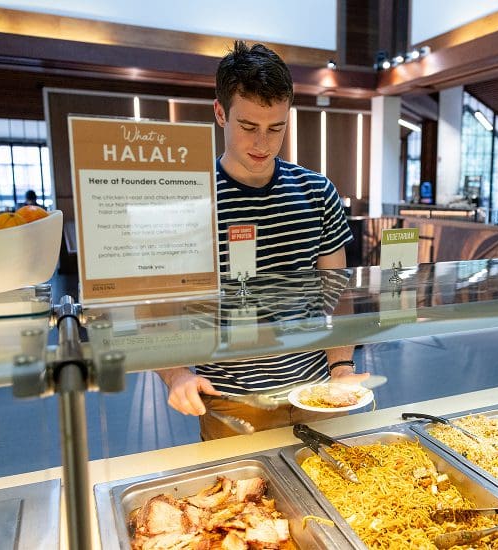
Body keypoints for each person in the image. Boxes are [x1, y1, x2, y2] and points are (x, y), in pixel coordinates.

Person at [157, 40, 367, 440]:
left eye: (277, 128)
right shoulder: (188, 199)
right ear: (220, 113)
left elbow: (337, 296)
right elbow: (160, 306)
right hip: (229, 399)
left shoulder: (315, 191)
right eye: (249, 127)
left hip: (316, 390)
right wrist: (177, 373)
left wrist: (342, 368)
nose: (263, 144)